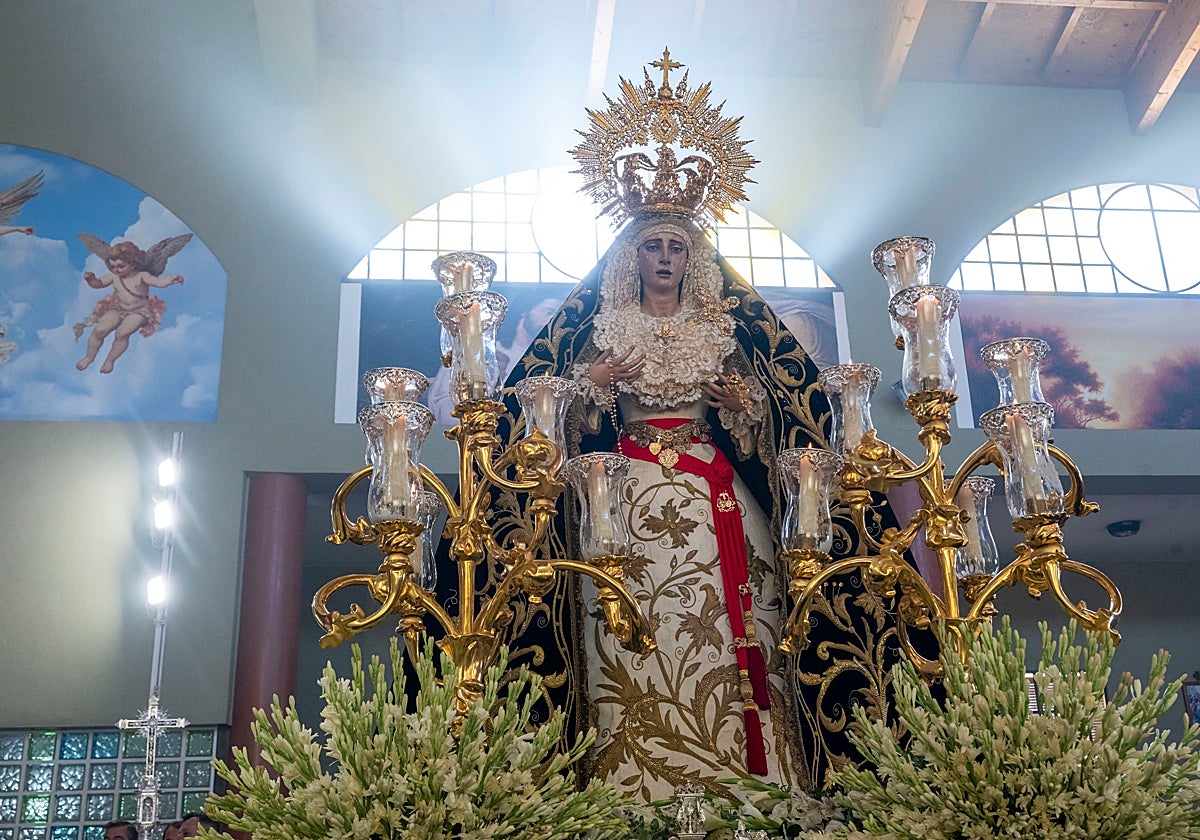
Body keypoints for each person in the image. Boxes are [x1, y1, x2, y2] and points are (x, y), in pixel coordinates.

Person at [73, 234, 192, 373]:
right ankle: (89, 357)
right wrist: (91, 279)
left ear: (133, 263)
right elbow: (98, 284)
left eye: (120, 266)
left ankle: (109, 360)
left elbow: (158, 282)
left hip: (139, 311)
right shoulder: (114, 276)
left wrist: (171, 279)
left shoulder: (142, 275)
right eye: (112, 267)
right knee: (99, 330)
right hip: (118, 308)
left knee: (122, 334)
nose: (116, 270)